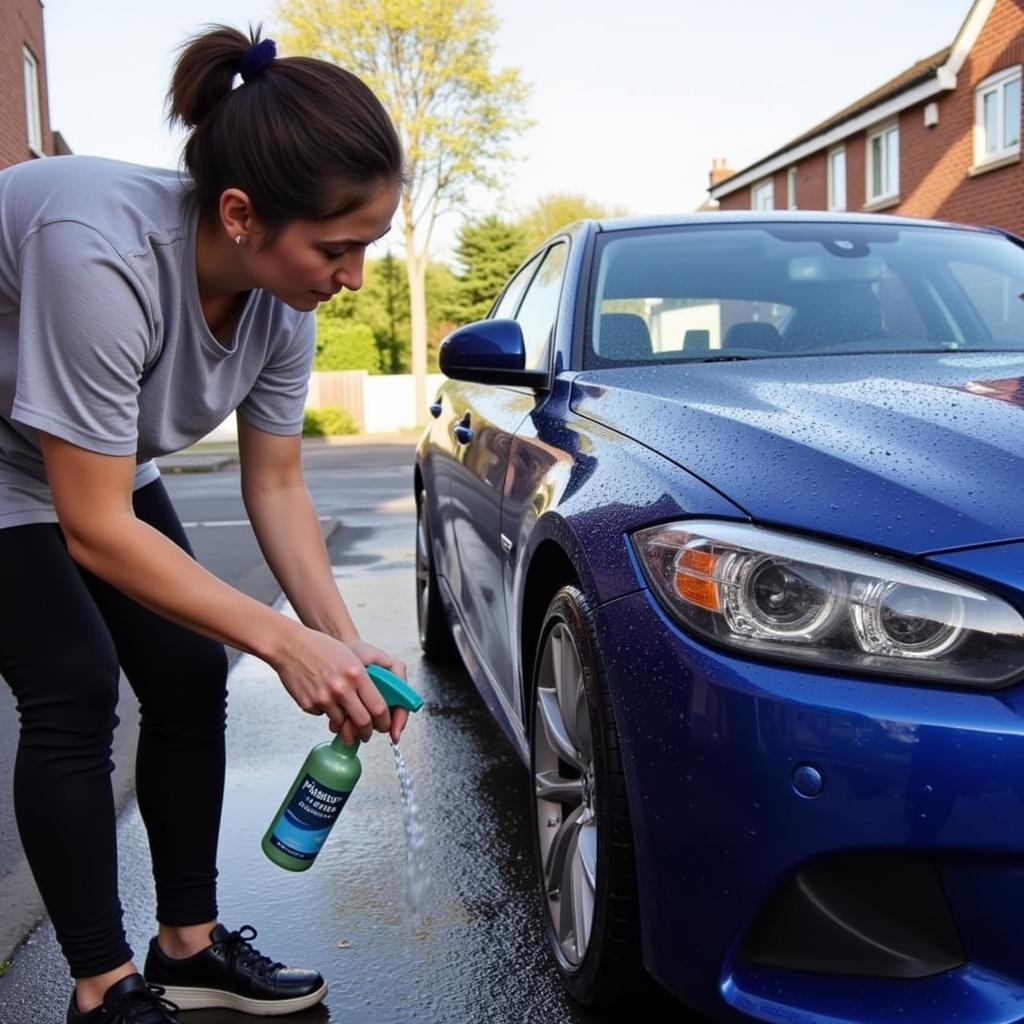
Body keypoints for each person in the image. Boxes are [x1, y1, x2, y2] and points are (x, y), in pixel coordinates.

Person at [0, 24, 408, 1024]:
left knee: (188, 671)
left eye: (366, 246)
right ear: (239, 214)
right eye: (337, 246)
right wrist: (279, 641)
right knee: (74, 683)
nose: (352, 274)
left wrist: (334, 637)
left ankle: (186, 948)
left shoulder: (281, 302)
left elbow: (275, 486)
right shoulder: (98, 250)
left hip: (90, 455)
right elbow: (93, 528)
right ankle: (101, 988)